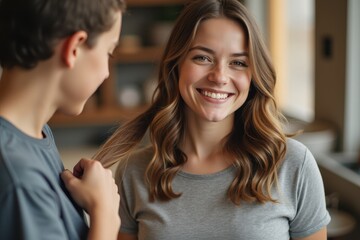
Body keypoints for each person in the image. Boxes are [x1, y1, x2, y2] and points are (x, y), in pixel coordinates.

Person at [95, 0, 331, 239]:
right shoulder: (133, 172)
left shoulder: (293, 165)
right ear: (176, 65)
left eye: (238, 63)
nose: (219, 76)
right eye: (202, 58)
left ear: (254, 76)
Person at [0, 0, 126, 239]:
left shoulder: (36, 133)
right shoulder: (20, 179)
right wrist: (105, 214)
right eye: (108, 52)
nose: (107, 72)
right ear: (74, 48)